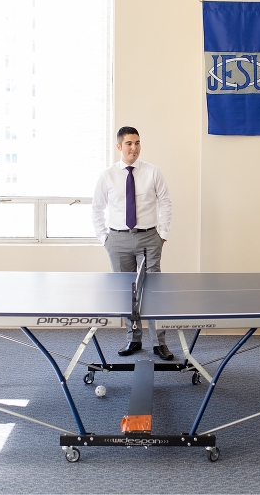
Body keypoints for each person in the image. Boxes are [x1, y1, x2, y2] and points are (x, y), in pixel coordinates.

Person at [92, 126, 174, 360]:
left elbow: (165, 202)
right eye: (129, 143)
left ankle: (159, 343)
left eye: (137, 143)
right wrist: (104, 238)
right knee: (127, 293)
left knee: (153, 291)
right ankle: (133, 340)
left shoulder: (153, 172)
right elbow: (96, 208)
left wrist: (163, 234)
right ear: (119, 146)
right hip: (117, 239)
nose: (134, 148)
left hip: (149, 237)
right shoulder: (107, 175)